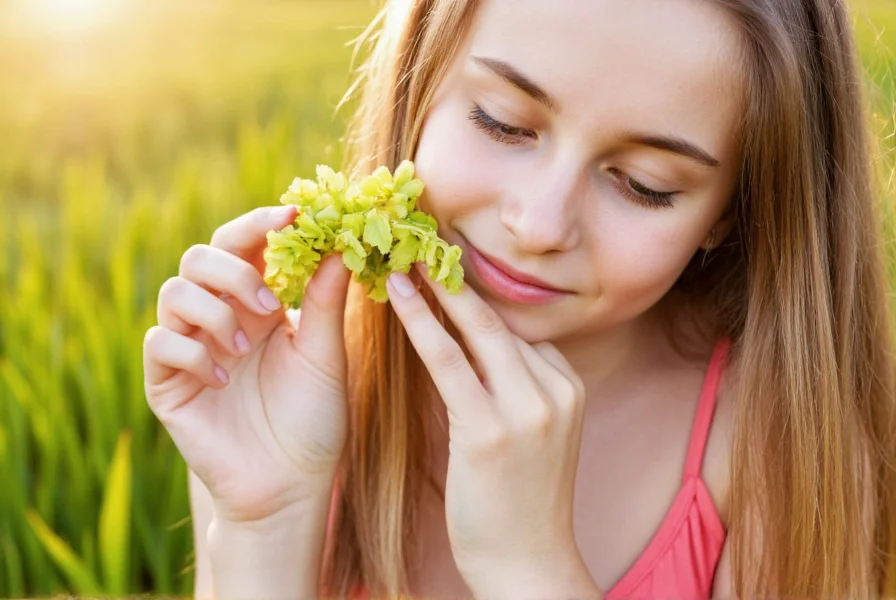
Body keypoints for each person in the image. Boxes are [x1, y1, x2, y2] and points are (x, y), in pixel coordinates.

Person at [142, 0, 896, 597]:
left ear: (731, 212)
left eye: (644, 185)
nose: (537, 225)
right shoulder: (289, 395)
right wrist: (264, 526)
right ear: (420, 80)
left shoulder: (777, 450)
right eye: (501, 123)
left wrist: (530, 572)